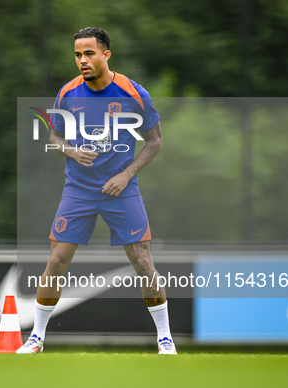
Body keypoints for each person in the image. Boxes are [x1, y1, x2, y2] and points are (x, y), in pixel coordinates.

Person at [16, 27, 176, 355]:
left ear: (106, 55)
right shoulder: (68, 93)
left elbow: (155, 140)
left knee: (143, 262)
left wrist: (126, 173)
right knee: (56, 261)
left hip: (122, 190)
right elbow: (54, 139)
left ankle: (164, 339)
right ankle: (36, 338)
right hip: (78, 190)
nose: (82, 61)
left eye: (89, 53)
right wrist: (72, 152)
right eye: (77, 54)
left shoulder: (133, 93)